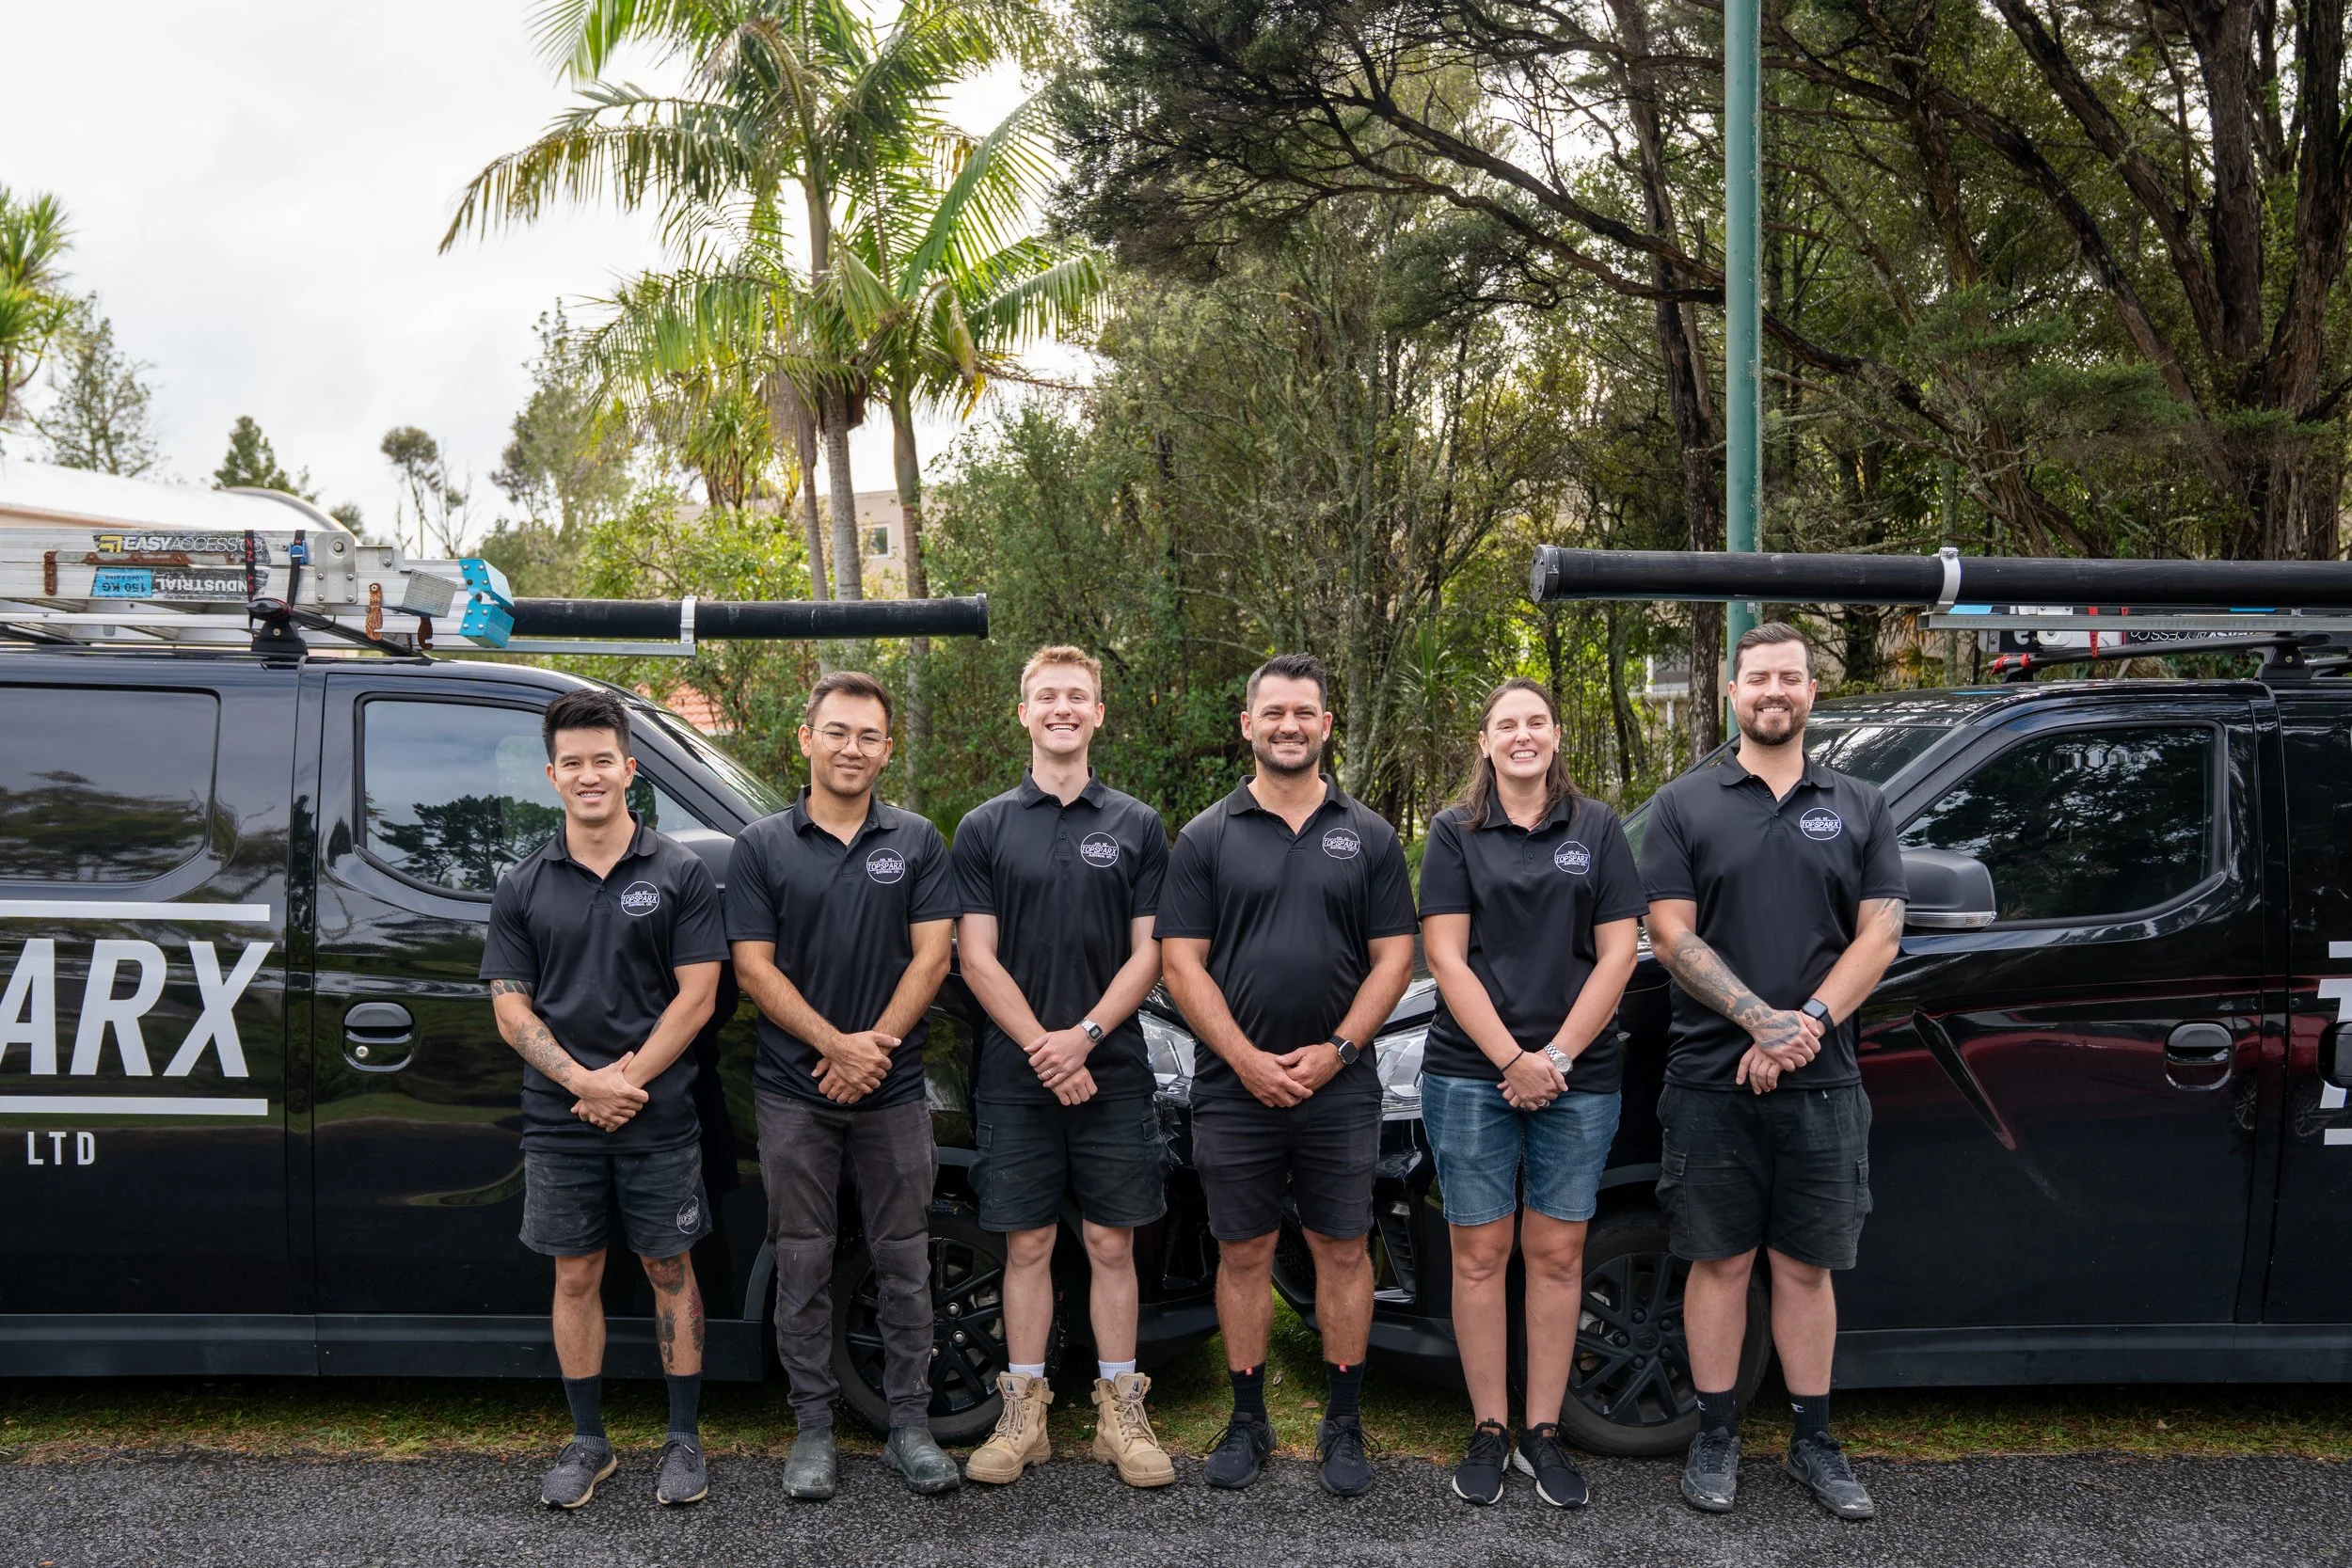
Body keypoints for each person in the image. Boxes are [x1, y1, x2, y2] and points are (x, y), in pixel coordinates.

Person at [1638, 624, 1907, 1521]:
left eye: (1789, 677)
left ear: (1811, 690)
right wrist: (1756, 1018)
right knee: (1717, 1261)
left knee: (1805, 1267)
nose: (1774, 691)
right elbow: (1671, 933)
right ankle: (1715, 1433)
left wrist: (1806, 1025)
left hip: (1824, 1081)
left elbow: (1882, 934)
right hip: (1711, 1079)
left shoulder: (1863, 804)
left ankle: (1814, 1441)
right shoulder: (1683, 805)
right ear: (1731, 690)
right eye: (1758, 678)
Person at [1156, 653, 1417, 1497]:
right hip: (1235, 1090)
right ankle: (1248, 1419)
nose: (1289, 725)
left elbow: (1394, 959)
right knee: (1244, 1252)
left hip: (1340, 1087)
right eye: (1273, 713)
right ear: (1248, 725)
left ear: (1326, 724)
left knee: (1343, 1249)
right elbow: (1180, 964)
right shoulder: (1204, 837)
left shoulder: (1369, 835)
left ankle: (1343, 1423)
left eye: (1304, 712)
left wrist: (1339, 1049)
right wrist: (1245, 1060)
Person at [481, 687, 728, 1511]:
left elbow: (698, 996)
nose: (590, 776)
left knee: (668, 1265)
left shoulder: (679, 872)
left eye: (603, 761)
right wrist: (583, 1082)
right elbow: (510, 1004)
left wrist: (627, 1082)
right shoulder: (523, 884)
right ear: (553, 775)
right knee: (577, 1272)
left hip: (659, 1117)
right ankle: (589, 1441)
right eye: (573, 764)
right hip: (561, 1117)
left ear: (630, 768)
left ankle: (684, 1441)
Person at [724, 672, 961, 1500]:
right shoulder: (760, 846)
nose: (851, 747)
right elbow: (753, 967)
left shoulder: (920, 841)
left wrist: (874, 1050)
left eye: (868, 735)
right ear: (806, 738)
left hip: (893, 1094)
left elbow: (933, 954)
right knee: (803, 1262)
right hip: (794, 1091)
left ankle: (909, 1427)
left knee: (903, 1260)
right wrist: (835, 1045)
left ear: (886, 749)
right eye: (837, 731)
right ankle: (813, 1430)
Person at [1417, 678, 1645, 1508]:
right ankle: (1488, 1427)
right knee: (1480, 1256)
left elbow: (1618, 955)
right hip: (1471, 1074)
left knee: (1556, 1256)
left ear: (1556, 735)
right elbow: (1445, 957)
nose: (1522, 735)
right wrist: (1513, 1057)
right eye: (1506, 724)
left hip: (1577, 1077)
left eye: (1536, 722)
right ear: (1484, 741)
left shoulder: (1599, 828)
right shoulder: (1453, 832)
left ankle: (1542, 1432)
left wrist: (1551, 1056)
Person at [953, 646, 1175, 1489]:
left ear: (1097, 712)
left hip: (1111, 1068)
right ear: (1023, 711)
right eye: (1046, 695)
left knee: (1113, 1242)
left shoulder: (1138, 825)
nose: (1061, 708)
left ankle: (1121, 1414)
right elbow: (976, 956)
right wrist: (1046, 1050)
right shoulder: (983, 827)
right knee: (1028, 1241)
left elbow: (1151, 953)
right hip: (1015, 1075)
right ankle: (1026, 1417)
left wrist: (1081, 1036)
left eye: (1076, 696)